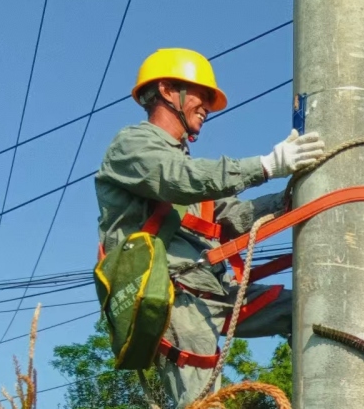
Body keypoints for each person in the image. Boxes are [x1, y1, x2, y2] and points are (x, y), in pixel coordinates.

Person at [94, 48, 324, 406]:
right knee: (203, 404)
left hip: (217, 289)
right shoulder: (131, 146)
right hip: (177, 297)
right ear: (169, 90)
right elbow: (177, 179)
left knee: (307, 310)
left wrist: (292, 197)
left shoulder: (190, 169)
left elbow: (231, 218)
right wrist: (265, 165)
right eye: (202, 95)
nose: (208, 106)